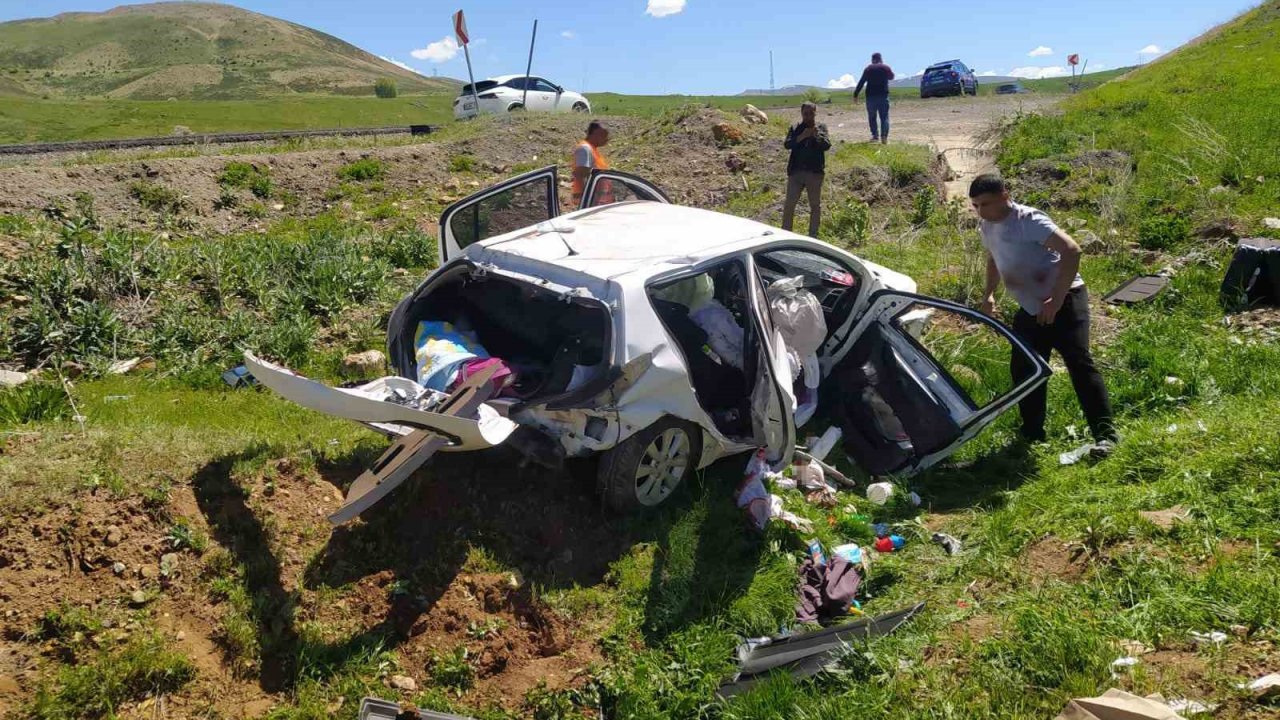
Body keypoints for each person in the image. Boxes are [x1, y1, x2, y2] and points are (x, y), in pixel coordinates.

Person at [969, 174, 1117, 451]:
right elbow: (993, 259)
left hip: (1066, 300)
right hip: (1031, 308)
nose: (980, 211)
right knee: (1026, 369)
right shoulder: (987, 226)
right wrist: (988, 293)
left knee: (1079, 364)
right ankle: (1032, 434)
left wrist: (1056, 300)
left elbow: (1072, 250)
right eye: (976, 205)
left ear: (1005, 195)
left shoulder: (1029, 220)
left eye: (985, 204)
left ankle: (1105, 435)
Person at [782, 102, 831, 238]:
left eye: (811, 113)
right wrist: (802, 136)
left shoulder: (821, 128)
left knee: (815, 206)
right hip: (796, 173)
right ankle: (786, 234)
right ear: (801, 113)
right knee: (789, 205)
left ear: (815, 113)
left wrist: (816, 136)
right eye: (805, 114)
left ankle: (813, 235)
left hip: (814, 173)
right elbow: (787, 144)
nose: (808, 116)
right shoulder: (795, 128)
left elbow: (827, 145)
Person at [852, 52, 895, 144]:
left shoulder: (868, 69)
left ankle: (875, 136)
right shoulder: (885, 67)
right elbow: (892, 77)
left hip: (870, 98)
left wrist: (855, 95)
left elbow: (861, 82)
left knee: (872, 117)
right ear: (881, 59)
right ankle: (884, 137)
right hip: (883, 96)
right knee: (884, 117)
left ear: (872, 59)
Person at [571, 120, 611, 206]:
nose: (607, 139)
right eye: (605, 136)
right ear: (596, 134)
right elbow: (580, 174)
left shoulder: (592, 149)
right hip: (590, 199)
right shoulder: (585, 149)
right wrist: (585, 199)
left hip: (595, 198)